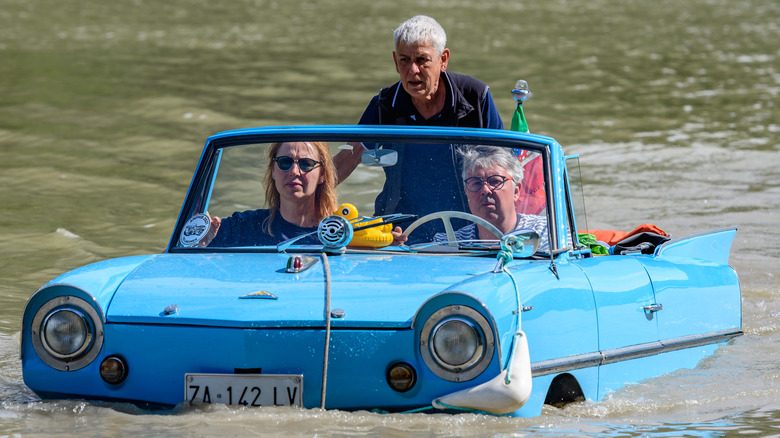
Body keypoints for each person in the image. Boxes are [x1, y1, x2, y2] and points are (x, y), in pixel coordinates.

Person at [333, 15, 504, 224]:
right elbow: (346, 160)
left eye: (422, 60)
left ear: (443, 60)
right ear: (396, 62)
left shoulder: (476, 98)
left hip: (469, 227)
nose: (412, 70)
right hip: (399, 229)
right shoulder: (384, 104)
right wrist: (301, 193)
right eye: (404, 60)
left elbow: (502, 171)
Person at [201, 141, 339, 247]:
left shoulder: (341, 234)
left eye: (306, 164)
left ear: (322, 174)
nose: (294, 171)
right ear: (273, 170)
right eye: (285, 162)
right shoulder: (242, 229)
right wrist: (201, 245)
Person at [433, 145, 549, 251]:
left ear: (516, 191)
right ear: (466, 193)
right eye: (476, 183)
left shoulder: (547, 234)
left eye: (495, 181)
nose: (485, 190)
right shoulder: (448, 243)